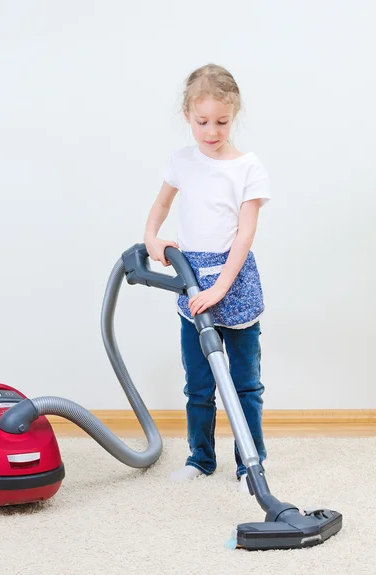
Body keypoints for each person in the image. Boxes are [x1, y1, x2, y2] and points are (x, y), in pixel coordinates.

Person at [143, 64, 271, 491]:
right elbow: (161, 207)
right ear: (187, 116)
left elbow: (245, 234)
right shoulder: (181, 161)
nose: (212, 131)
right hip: (191, 285)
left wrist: (220, 287)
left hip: (232, 286)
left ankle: (250, 465)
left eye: (221, 121)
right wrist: (151, 239)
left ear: (234, 115)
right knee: (198, 385)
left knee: (245, 384)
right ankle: (201, 458)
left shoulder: (248, 167)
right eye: (203, 122)